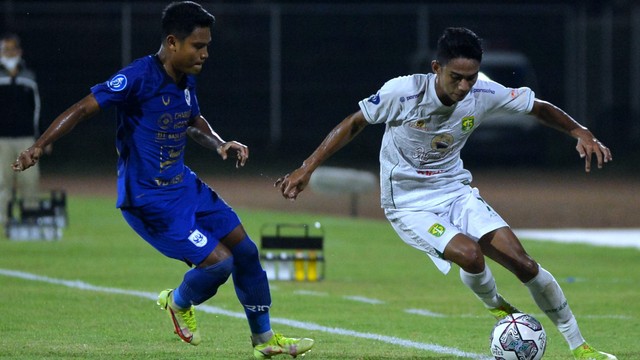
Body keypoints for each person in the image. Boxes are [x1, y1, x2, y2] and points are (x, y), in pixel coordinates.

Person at [276, 27, 615, 360]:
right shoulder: (403, 92)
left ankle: (581, 348)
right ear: (436, 69)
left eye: (471, 77)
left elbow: (537, 107)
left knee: (523, 263)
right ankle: (501, 310)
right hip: (408, 204)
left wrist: (580, 131)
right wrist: (308, 167)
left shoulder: (483, 91)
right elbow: (354, 123)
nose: (465, 86)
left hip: (454, 190)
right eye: (457, 77)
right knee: (470, 255)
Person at [11, 2, 313, 358]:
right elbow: (82, 109)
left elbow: (191, 119)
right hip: (149, 201)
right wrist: (38, 147)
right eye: (198, 46)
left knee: (246, 252)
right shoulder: (138, 77)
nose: (205, 53)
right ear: (172, 42)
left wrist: (219, 144)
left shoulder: (185, 79)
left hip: (185, 187)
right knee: (220, 263)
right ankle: (178, 301)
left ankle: (264, 341)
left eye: (207, 45)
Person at [0, 33, 43, 228]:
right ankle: (3, 220)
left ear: (19, 51)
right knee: (2, 182)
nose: (8, 53)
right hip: (2, 139)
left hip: (26, 138)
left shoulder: (29, 76)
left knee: (30, 182)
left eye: (11, 49)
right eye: (4, 49)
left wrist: (40, 139)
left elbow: (37, 108)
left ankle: (30, 220)